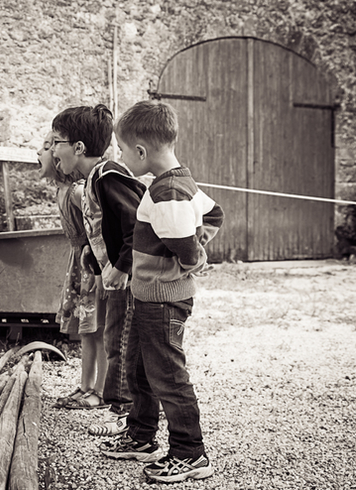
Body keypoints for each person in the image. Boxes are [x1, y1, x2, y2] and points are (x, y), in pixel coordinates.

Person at [99, 100, 224, 483]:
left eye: (122, 151)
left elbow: (185, 245)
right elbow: (214, 213)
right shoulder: (173, 182)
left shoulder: (167, 193)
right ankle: (141, 435)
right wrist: (197, 247)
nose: (121, 158)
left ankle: (190, 452)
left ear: (140, 152)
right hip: (148, 294)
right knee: (139, 367)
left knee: (167, 375)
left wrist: (194, 257)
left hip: (165, 299)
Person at [50, 104, 145, 422]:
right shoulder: (93, 179)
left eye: (56, 142)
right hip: (116, 276)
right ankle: (126, 420)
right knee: (116, 343)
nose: (53, 150)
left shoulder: (105, 177)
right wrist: (94, 256)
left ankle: (128, 421)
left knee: (121, 346)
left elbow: (135, 225)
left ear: (78, 147)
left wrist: (120, 266)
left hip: (128, 280)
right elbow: (106, 228)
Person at [37, 131, 107, 410]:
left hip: (91, 265)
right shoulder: (61, 191)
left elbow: (99, 226)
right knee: (86, 330)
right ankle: (85, 385)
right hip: (78, 263)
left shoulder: (78, 191)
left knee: (98, 329)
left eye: (49, 146)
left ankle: (101, 392)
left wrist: (97, 265)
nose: (45, 152)